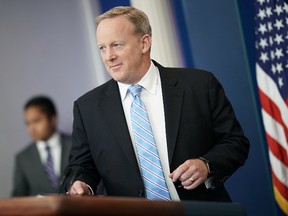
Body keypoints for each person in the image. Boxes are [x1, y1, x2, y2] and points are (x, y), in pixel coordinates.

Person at [60, 6, 250, 202]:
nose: (109, 56)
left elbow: (236, 143)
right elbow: (80, 167)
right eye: (102, 48)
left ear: (144, 43)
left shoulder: (200, 85)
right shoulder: (87, 108)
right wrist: (82, 183)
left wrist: (206, 165)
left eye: (116, 45)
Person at [11, 95, 72, 196]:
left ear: (53, 119)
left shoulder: (76, 145)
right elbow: (18, 196)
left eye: (36, 121)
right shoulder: (22, 158)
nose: (31, 128)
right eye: (27, 123)